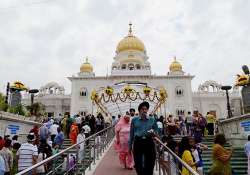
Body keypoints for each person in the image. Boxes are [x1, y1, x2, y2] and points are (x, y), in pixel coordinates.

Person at [129, 101, 159, 175]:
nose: (144, 111)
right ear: (139, 111)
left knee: (150, 162)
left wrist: (153, 133)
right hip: (138, 142)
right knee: (138, 163)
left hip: (149, 141)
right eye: (142, 109)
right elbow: (131, 133)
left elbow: (156, 131)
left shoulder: (152, 119)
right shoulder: (134, 120)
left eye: (146, 109)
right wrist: (129, 146)